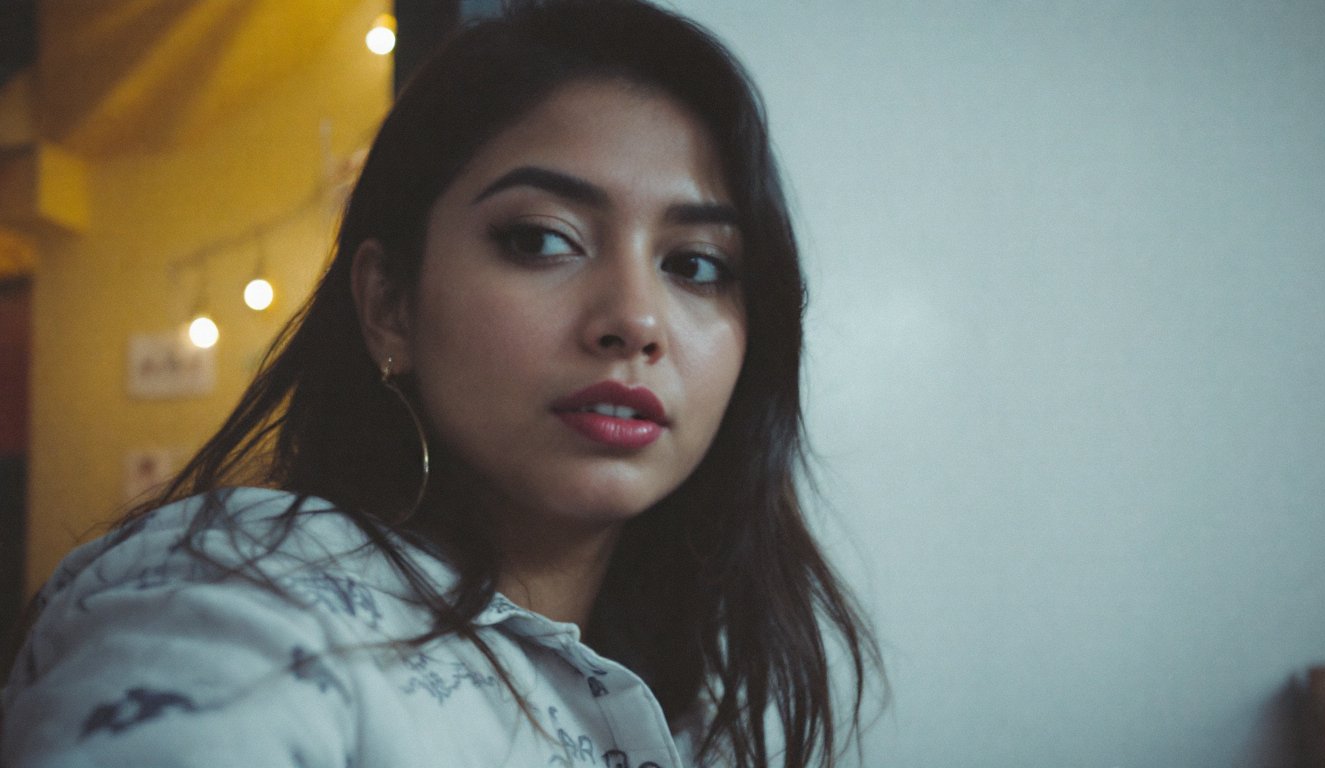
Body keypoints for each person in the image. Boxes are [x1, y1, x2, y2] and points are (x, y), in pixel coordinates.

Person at [1, 1, 882, 765]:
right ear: (390, 304)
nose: (635, 319)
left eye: (695, 263)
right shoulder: (247, 601)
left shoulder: (697, 695)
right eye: (542, 239)